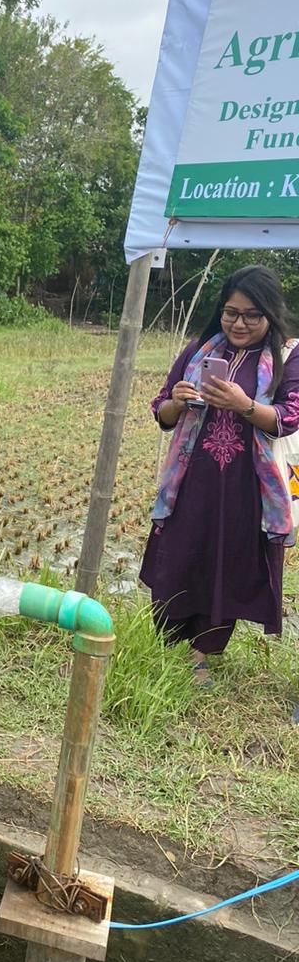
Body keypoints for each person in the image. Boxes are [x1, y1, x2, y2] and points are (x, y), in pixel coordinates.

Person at [140, 264, 299, 687]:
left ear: (270, 314)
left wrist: (244, 404)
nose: (240, 323)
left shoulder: (287, 355)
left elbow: (289, 417)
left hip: (248, 485)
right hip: (191, 480)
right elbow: (161, 411)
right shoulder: (198, 350)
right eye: (231, 312)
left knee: (228, 562)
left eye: (252, 315)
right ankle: (166, 645)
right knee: (179, 554)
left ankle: (200, 654)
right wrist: (177, 400)